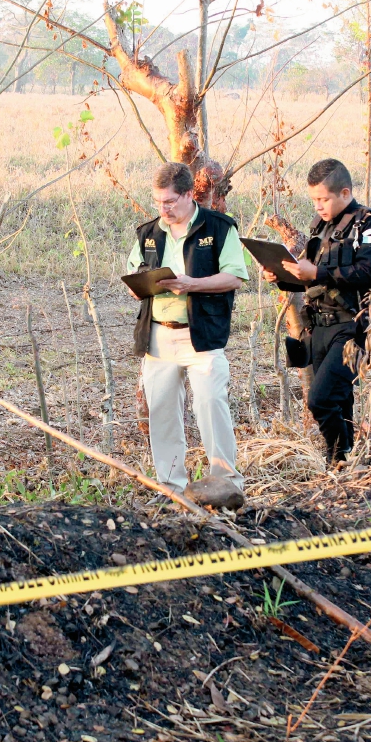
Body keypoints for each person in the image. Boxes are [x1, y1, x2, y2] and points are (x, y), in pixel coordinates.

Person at [127, 162, 249, 494]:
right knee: (162, 412)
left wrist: (192, 284)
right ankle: (172, 488)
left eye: (169, 201)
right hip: (159, 335)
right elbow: (134, 275)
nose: (163, 209)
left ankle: (226, 485)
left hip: (202, 334)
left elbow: (235, 276)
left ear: (188, 194)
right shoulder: (148, 233)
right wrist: (140, 285)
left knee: (210, 405)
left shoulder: (219, 227)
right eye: (158, 201)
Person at [263, 158, 371, 463]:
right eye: (314, 200)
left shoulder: (369, 223)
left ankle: (337, 456)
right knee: (338, 399)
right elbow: (312, 280)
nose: (318, 206)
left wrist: (317, 273)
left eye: (323, 199)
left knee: (320, 400)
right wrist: (282, 278)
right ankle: (346, 466)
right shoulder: (320, 227)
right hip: (320, 327)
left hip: (355, 327)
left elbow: (369, 272)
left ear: (345, 193)